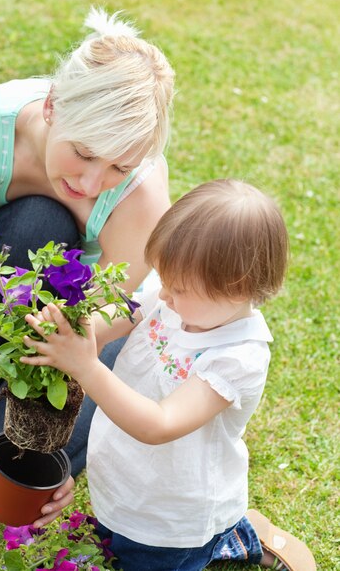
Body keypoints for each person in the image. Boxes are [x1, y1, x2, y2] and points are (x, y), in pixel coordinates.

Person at [0, 6, 174, 510]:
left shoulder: (142, 198)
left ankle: (1, 403)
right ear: (52, 105)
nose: (92, 184)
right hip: (19, 271)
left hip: (93, 327)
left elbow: (112, 314)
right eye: (85, 151)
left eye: (119, 165)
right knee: (36, 220)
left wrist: (70, 368)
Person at [16, 179, 316, 571]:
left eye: (179, 289)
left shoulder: (237, 356)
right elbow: (122, 314)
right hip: (128, 479)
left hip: (175, 515)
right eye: (164, 279)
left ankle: (231, 536)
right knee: (117, 536)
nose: (165, 296)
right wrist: (74, 330)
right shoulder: (176, 297)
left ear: (237, 289)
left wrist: (86, 366)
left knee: (148, 557)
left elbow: (159, 425)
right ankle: (231, 533)